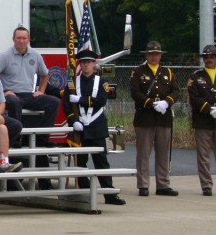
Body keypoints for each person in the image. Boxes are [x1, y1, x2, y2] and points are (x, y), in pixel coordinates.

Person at [0, 27, 60, 185]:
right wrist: (4, 92)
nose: (21, 41)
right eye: (18, 38)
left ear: (29, 39)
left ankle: (43, 138)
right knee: (14, 102)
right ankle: (16, 138)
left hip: (29, 94)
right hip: (12, 95)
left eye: (24, 38)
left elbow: (45, 74)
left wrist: (41, 91)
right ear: (13, 39)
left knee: (54, 101)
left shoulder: (35, 55)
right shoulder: (5, 55)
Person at [63, 49, 125, 205]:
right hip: (79, 128)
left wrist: (81, 99)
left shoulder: (102, 82)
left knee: (101, 162)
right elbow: (67, 106)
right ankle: (84, 193)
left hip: (96, 126)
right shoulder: (72, 82)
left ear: (94, 64)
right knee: (81, 163)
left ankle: (109, 194)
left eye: (88, 62)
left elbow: (101, 101)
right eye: (83, 62)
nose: (85, 65)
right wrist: (73, 121)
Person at [130, 41, 180, 197]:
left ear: (160, 55)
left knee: (163, 153)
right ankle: (143, 184)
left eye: (157, 54)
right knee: (144, 153)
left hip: (163, 118)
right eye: (151, 54)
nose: (154, 57)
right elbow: (134, 92)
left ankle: (163, 185)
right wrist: (151, 103)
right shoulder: (138, 72)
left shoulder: (168, 72)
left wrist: (167, 102)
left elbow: (176, 91)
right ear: (146, 55)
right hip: (145, 117)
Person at [187, 44, 216, 197]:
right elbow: (194, 97)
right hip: (203, 121)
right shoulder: (196, 76)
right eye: (206, 57)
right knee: (204, 156)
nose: (209, 59)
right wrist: (209, 109)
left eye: (212, 57)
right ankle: (206, 185)